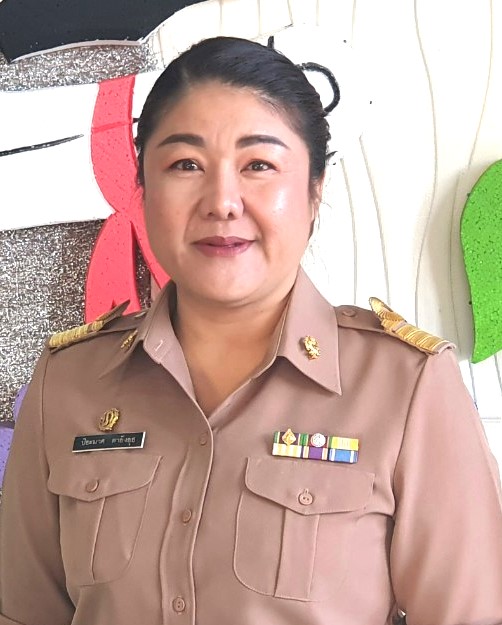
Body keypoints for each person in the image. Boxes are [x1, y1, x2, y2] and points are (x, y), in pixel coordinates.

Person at [1, 36, 501, 625]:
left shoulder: (405, 385)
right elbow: (25, 612)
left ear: (314, 192)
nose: (222, 202)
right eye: (185, 165)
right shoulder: (68, 381)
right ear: (143, 190)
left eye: (258, 165)